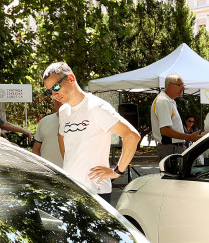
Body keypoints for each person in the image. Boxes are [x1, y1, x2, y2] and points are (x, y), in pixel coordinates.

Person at [46, 61, 140, 197]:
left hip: (96, 192)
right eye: (49, 91)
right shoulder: (64, 111)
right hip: (72, 190)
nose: (54, 94)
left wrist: (117, 171)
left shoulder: (97, 107)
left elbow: (132, 136)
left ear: (71, 78)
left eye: (55, 87)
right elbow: (62, 137)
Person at [150, 73, 200, 159]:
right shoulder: (163, 101)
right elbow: (165, 131)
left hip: (173, 147)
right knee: (172, 172)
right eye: (180, 85)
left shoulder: (169, 101)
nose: (183, 88)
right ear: (170, 85)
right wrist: (189, 137)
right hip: (169, 147)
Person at [31, 99, 63, 166]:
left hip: (72, 174)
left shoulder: (80, 122)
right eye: (56, 98)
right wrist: (39, 165)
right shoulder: (44, 121)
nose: (59, 100)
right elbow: (36, 148)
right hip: (48, 173)